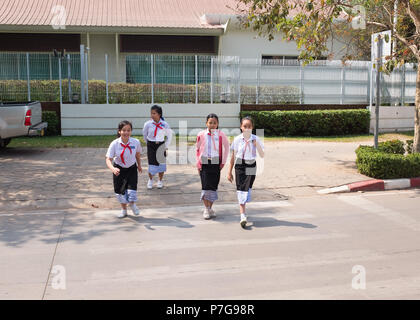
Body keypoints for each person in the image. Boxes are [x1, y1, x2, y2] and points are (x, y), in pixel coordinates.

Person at [227, 116, 264, 228]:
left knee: (247, 189)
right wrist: (229, 171)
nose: (247, 128)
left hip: (251, 165)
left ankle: (243, 207)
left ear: (252, 127)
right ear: (241, 127)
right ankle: (242, 215)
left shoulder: (256, 139)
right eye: (245, 126)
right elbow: (233, 156)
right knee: (241, 189)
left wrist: (255, 145)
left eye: (249, 126)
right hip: (239, 165)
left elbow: (262, 155)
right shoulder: (237, 139)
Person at [196, 113, 230, 219]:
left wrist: (223, 162)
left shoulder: (220, 135)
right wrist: (198, 163)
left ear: (217, 124)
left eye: (214, 123)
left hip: (216, 162)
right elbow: (197, 149)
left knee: (213, 187)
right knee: (206, 186)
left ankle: (210, 208)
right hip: (205, 161)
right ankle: (206, 209)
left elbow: (227, 147)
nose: (212, 125)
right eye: (210, 122)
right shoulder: (201, 134)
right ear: (206, 123)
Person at [106, 120, 142, 218]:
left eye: (128, 130)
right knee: (120, 190)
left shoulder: (136, 142)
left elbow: (137, 155)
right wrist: (113, 169)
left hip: (131, 168)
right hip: (119, 169)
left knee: (132, 189)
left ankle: (132, 204)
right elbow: (108, 159)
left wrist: (139, 165)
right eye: (124, 130)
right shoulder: (114, 144)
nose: (126, 132)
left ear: (131, 131)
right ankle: (124, 210)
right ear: (119, 131)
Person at [142, 105, 173, 189]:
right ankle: (150, 180)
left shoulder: (165, 124)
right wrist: (148, 143)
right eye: (151, 113)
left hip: (161, 145)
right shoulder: (147, 124)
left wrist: (165, 145)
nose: (152, 115)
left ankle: (160, 180)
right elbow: (145, 135)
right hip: (151, 145)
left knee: (161, 163)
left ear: (159, 114)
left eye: (154, 113)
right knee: (151, 164)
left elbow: (169, 136)